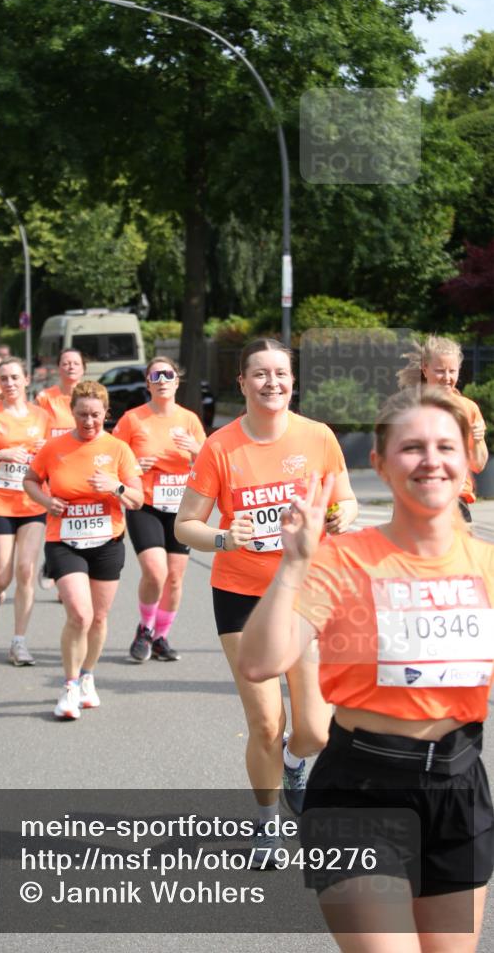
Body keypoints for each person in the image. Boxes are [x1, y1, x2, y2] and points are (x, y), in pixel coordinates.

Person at [238, 386, 494, 949]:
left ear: (468, 461)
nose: (430, 460)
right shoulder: (343, 559)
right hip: (361, 792)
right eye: (412, 447)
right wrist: (293, 565)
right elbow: (260, 661)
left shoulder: (486, 565)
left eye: (445, 446)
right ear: (379, 463)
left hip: (459, 788)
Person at [174, 338, 358, 843]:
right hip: (242, 596)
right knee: (265, 723)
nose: (271, 382)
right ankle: (266, 824)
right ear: (242, 383)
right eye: (260, 374)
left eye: (280, 373)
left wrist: (342, 517)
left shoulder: (318, 437)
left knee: (315, 730)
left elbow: (346, 500)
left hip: (308, 592)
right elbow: (185, 524)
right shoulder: (220, 447)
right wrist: (223, 538)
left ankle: (295, 763)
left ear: (293, 382)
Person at [24, 381, 143, 720]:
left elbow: (138, 499)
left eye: (95, 415)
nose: (88, 422)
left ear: (106, 413)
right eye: (82, 415)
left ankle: (88, 675)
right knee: (79, 613)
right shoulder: (55, 447)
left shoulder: (118, 449)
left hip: (107, 541)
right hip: (64, 540)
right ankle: (70, 685)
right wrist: (46, 501)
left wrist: (116, 487)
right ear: (72, 413)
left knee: (99, 617)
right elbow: (30, 480)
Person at [113, 356, 206, 662]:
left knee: (175, 578)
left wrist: (196, 451)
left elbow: (209, 466)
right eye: (156, 375)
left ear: (177, 381)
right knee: (155, 572)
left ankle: (160, 637)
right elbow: (112, 459)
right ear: (148, 383)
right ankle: (145, 628)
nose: (162, 380)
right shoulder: (132, 420)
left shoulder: (190, 420)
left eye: (168, 374)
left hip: (181, 508)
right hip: (146, 503)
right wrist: (133, 467)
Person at [0, 356, 50, 666]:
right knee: (2, 576)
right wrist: (0, 455)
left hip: (32, 502)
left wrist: (44, 453)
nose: (10, 383)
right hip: (0, 504)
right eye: (4, 378)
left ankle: (19, 643)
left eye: (15, 377)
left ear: (26, 380)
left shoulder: (42, 416)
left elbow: (52, 459)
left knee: (26, 571)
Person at [397, 334, 488, 522]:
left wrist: (478, 440)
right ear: (425, 369)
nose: (447, 378)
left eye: (452, 371)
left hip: (457, 500)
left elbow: (478, 465)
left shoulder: (469, 408)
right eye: (440, 371)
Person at [35, 348, 86, 590]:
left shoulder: (90, 395)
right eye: (66, 363)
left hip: (82, 467)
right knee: (56, 518)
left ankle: (63, 571)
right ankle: (53, 565)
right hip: (53, 469)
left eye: (75, 363)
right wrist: (39, 443)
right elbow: (35, 428)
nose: (71, 367)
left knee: (76, 521)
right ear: (58, 368)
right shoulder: (46, 398)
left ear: (83, 369)